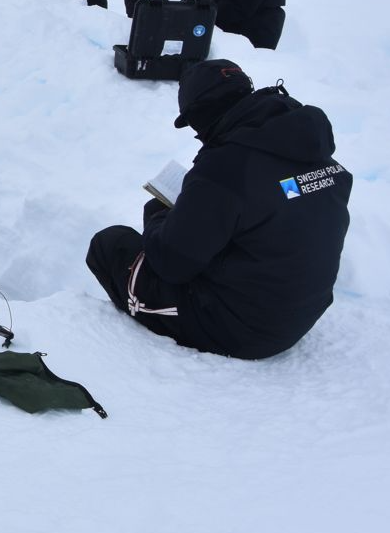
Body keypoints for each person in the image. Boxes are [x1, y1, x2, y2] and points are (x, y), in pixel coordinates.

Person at [85, 59, 351, 360]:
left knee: (110, 245)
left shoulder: (225, 166)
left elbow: (170, 262)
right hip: (299, 314)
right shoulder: (315, 151)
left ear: (201, 114)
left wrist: (159, 212)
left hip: (240, 330)